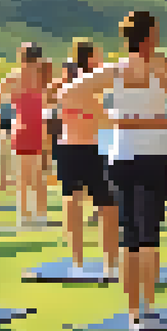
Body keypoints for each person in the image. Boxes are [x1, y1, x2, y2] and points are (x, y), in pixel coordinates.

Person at [61, 11, 167, 331]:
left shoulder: (115, 70)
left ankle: (134, 314)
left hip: (123, 156)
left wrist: (112, 117)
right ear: (149, 36)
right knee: (149, 234)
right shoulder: (165, 66)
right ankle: (148, 307)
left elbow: (68, 94)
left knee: (131, 234)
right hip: (154, 155)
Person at [53, 39, 120, 277]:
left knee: (77, 203)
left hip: (79, 148)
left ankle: (81, 262)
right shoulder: (80, 88)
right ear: (89, 58)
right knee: (104, 206)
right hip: (87, 148)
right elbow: (103, 120)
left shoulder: (72, 87)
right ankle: (107, 264)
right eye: (98, 55)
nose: (101, 60)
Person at [0, 43, 52, 227]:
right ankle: (39, 215)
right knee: (37, 176)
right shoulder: (43, 78)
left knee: (24, 177)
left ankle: (26, 215)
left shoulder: (15, 77)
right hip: (38, 129)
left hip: (22, 128)